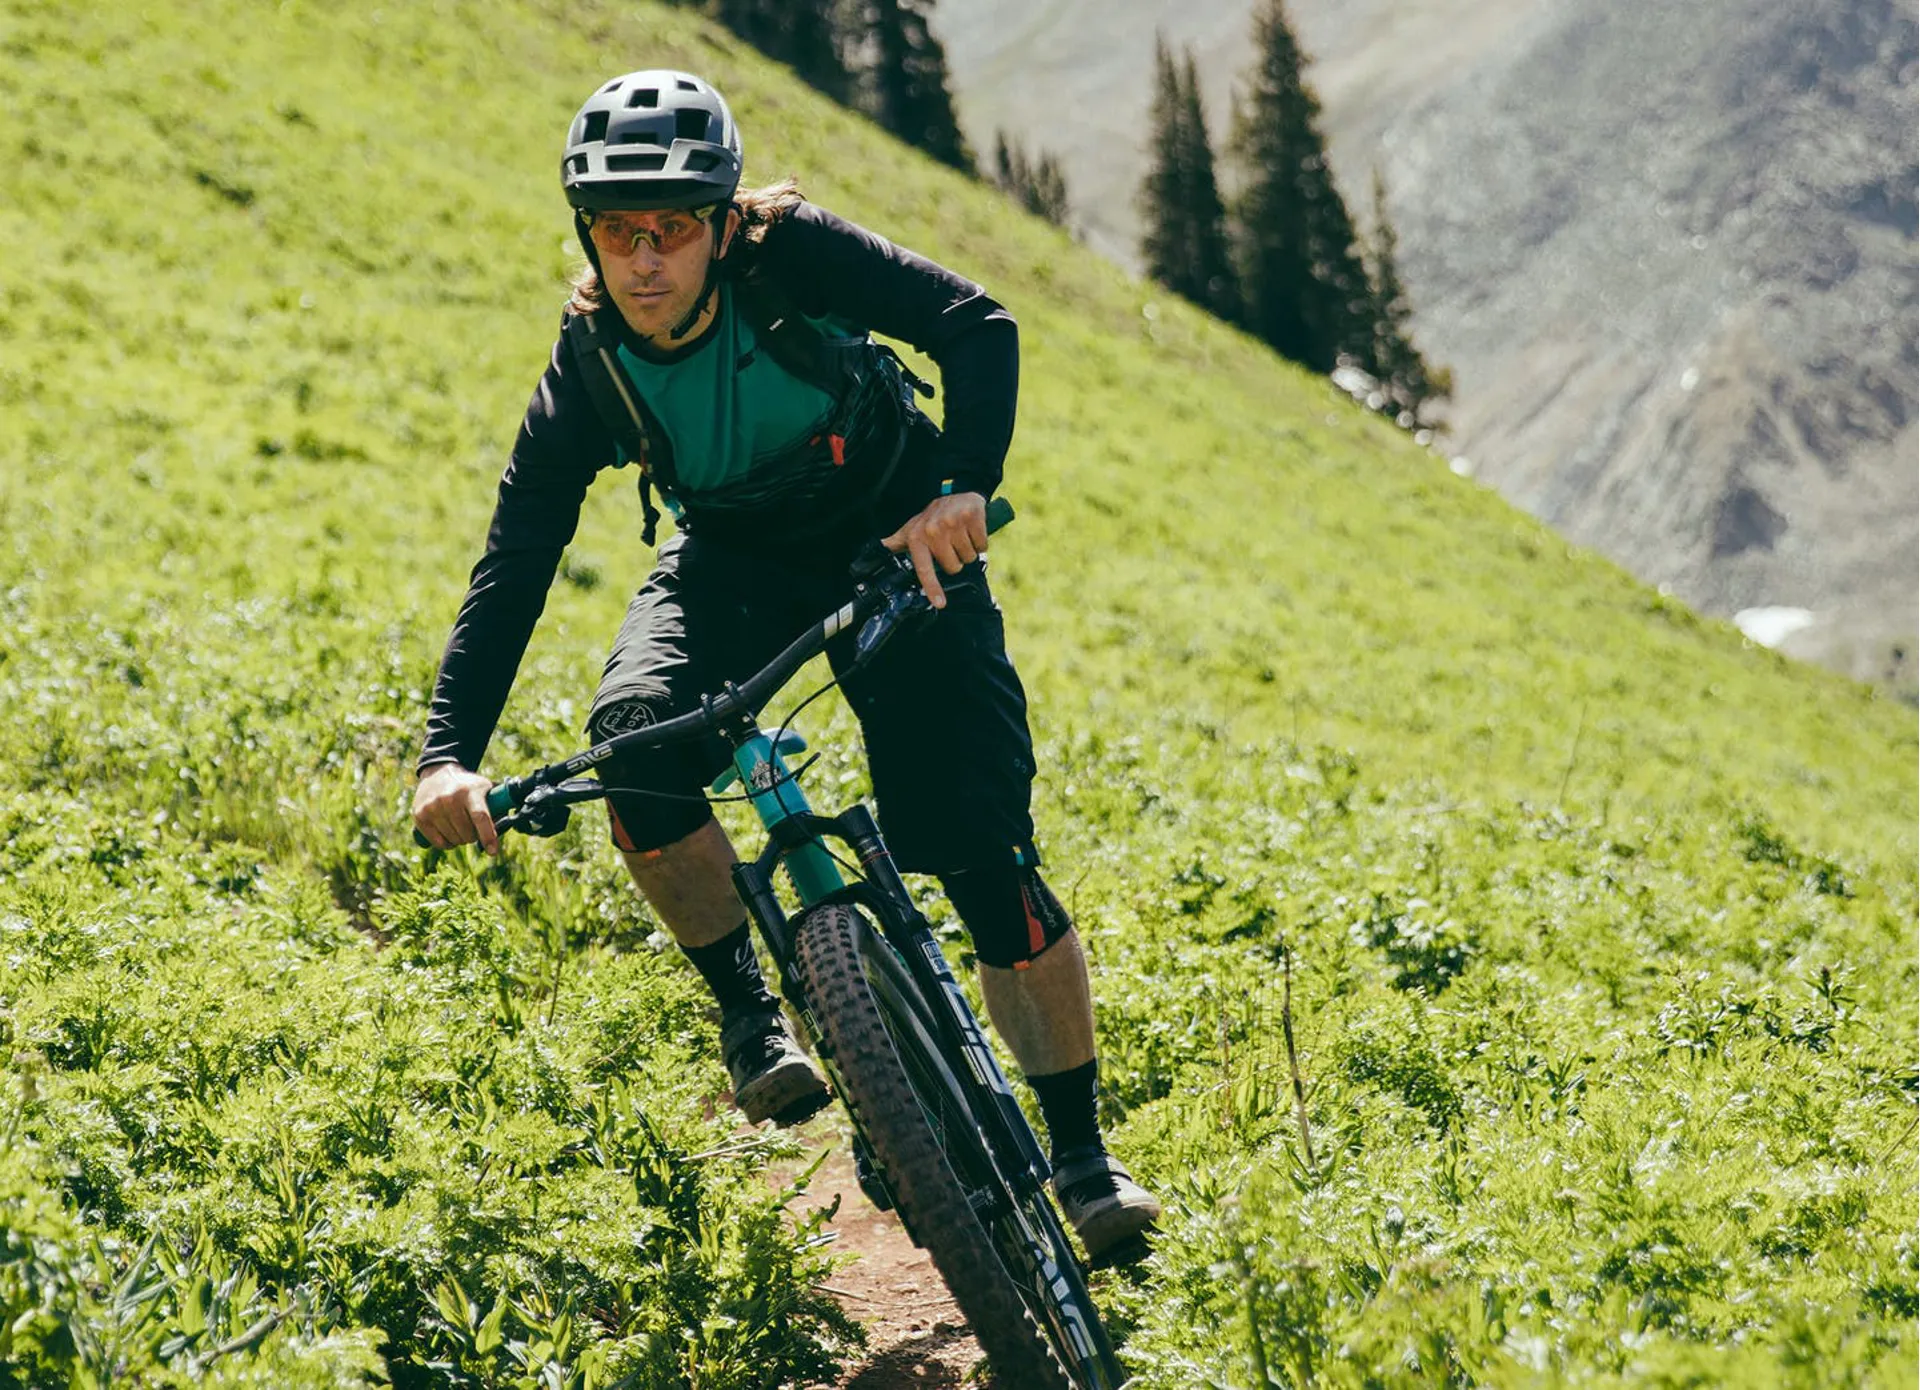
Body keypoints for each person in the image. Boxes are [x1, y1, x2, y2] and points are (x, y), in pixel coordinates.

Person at [411, 68, 1159, 1262]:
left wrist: (963, 486)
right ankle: (753, 1017)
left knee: (980, 847)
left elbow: (976, 323)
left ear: (721, 225)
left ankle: (1079, 1153)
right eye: (616, 230)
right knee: (638, 746)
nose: (644, 259)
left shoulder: (791, 257)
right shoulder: (592, 363)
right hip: (736, 564)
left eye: (671, 228)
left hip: (898, 540)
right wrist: (447, 755)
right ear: (587, 235)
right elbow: (517, 555)